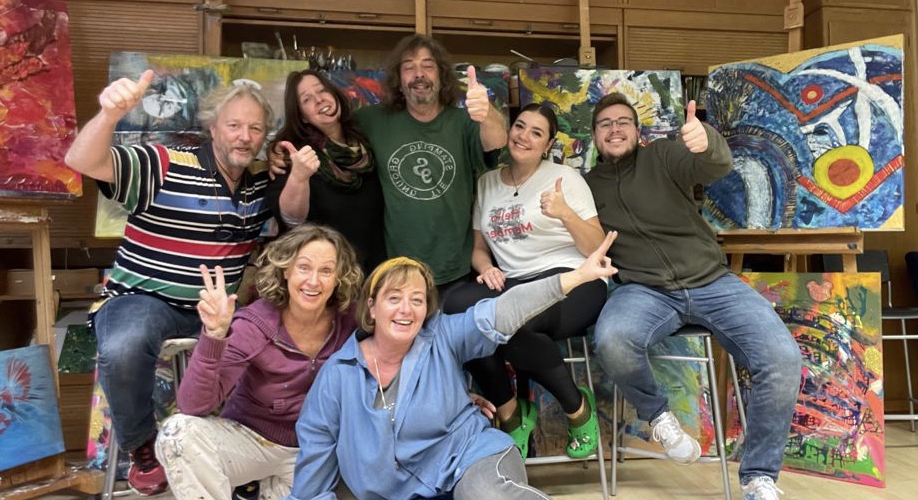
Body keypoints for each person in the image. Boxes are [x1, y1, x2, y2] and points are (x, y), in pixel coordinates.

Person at [64, 71, 297, 496]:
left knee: (274, 344)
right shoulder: (165, 163)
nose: (244, 136)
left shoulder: (260, 184)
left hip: (217, 311)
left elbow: (296, 211)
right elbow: (82, 161)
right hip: (145, 299)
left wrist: (286, 161)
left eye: (255, 128)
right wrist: (110, 114)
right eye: (234, 125)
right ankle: (142, 447)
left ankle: (239, 455)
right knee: (125, 345)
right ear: (213, 127)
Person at [286, 232, 619, 500]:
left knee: (484, 494)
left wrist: (577, 277)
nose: (406, 310)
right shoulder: (338, 375)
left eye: (417, 300)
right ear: (372, 308)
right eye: (394, 298)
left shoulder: (442, 335)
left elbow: (505, 310)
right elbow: (315, 467)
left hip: (471, 462)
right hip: (394, 492)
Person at [585, 93, 802, 500]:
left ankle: (759, 477)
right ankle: (659, 417)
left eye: (623, 122)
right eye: (605, 124)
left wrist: (708, 142)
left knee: (782, 358)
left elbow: (713, 166)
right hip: (643, 289)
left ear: (637, 131)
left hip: (712, 281)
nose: (614, 129)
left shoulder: (663, 155)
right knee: (612, 340)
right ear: (594, 136)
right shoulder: (587, 186)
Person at [442, 103, 606, 459]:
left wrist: (564, 213)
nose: (524, 136)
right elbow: (478, 248)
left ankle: (577, 408)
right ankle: (512, 413)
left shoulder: (565, 178)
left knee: (513, 322)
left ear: (548, 144)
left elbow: (595, 247)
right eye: (519, 126)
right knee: (456, 315)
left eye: (536, 133)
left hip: (574, 278)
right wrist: (485, 267)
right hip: (514, 283)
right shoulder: (487, 183)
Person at [154, 225, 362, 500]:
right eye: (303, 267)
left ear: (339, 277)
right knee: (178, 433)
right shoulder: (255, 324)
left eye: (326, 271)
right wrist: (215, 335)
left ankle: (261, 492)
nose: (313, 281)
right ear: (286, 270)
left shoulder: (350, 324)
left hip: (312, 453)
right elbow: (194, 405)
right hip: (251, 440)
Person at [353, 34, 508, 293]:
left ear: (441, 75)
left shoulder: (463, 122)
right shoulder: (372, 120)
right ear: (398, 79)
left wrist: (487, 113)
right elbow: (327, 131)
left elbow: (497, 140)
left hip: (456, 265)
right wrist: (284, 152)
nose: (419, 74)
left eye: (428, 65)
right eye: (409, 67)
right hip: (396, 266)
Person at [266, 69, 385, 273]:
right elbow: (291, 219)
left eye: (322, 90)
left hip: (372, 271)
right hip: (325, 274)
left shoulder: (365, 140)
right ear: (302, 116)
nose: (319, 99)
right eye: (307, 99)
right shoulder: (294, 155)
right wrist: (299, 177)